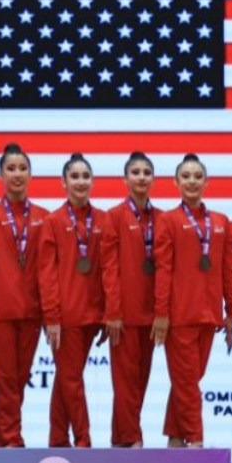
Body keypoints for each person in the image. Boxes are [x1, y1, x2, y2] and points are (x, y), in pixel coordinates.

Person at [154, 153, 232, 447]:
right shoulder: (167, 220)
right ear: (176, 182)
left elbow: (229, 267)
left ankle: (175, 441)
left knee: (186, 383)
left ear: (207, 182)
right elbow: (163, 270)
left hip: (210, 317)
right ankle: (195, 443)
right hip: (180, 317)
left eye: (197, 176)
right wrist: (162, 314)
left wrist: (231, 310)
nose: (192, 181)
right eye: (186, 176)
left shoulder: (221, 222)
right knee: (188, 385)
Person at [0, 142, 52, 447]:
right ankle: (10, 440)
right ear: (0, 175)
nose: (17, 174)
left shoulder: (44, 217)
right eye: (11, 169)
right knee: (5, 382)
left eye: (23, 168)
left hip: (31, 312)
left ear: (31, 174)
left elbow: (48, 271)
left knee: (19, 381)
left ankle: (5, 439)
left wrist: (48, 311)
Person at [40, 153, 106, 448]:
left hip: (93, 316)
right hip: (65, 317)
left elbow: (110, 270)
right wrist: (51, 317)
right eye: (75, 177)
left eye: (86, 176)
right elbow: (47, 274)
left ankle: (57, 439)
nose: (81, 182)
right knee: (71, 380)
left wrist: (109, 312)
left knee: (68, 378)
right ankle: (83, 439)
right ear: (64, 183)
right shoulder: (52, 221)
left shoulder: (104, 220)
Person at [101, 151, 160, 447]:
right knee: (124, 384)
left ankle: (119, 442)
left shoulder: (162, 218)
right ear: (125, 180)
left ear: (153, 179)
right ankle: (133, 440)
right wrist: (112, 312)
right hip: (122, 314)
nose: (141, 177)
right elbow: (108, 268)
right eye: (135, 172)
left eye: (146, 172)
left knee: (139, 382)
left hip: (152, 316)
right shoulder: (113, 217)